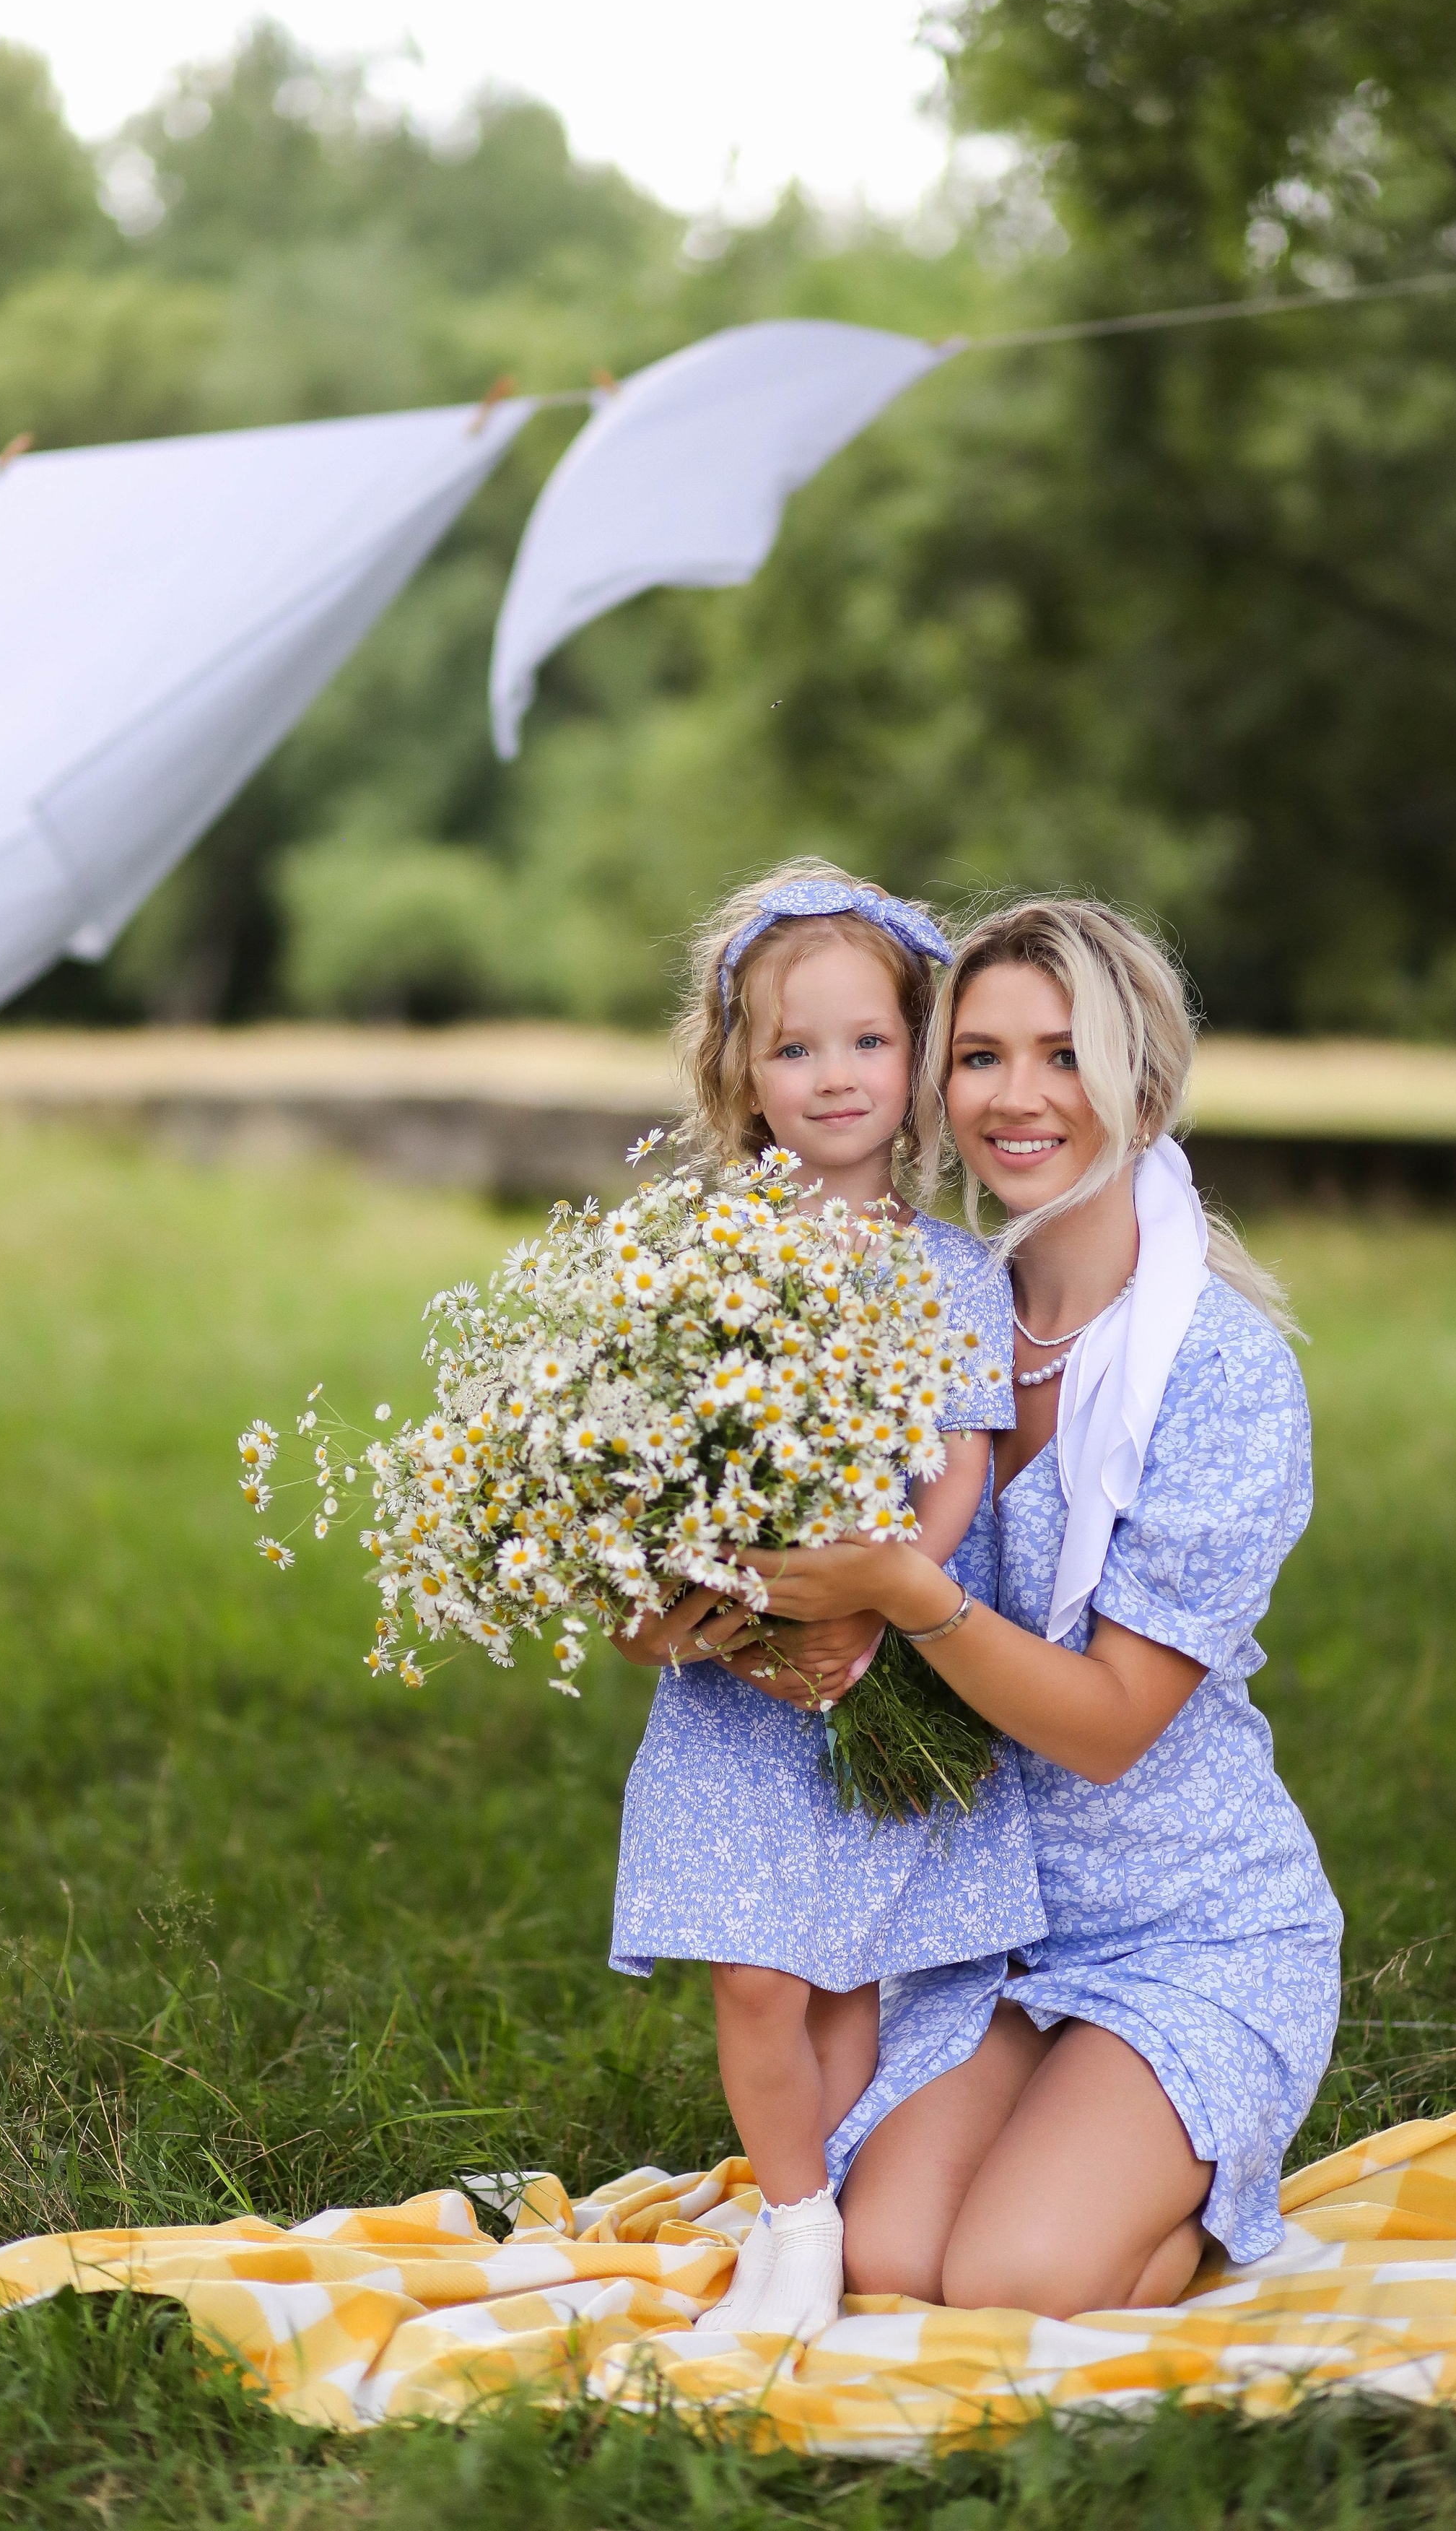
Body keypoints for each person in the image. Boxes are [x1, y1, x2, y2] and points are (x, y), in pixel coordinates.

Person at [744, 899, 1342, 2317]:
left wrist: (902, 1590)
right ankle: (1077, 2157)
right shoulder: (919, 1319)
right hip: (990, 1938)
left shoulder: (1218, 1371)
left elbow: (1111, 1728)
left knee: (1013, 2276)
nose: (1018, 1097)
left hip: (1191, 1927)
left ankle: (1177, 2208)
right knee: (891, 2262)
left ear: (1144, 1085)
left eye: (1065, 1056)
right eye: (981, 1057)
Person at [607, 862, 1045, 2340]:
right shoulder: (704, 1266)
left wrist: (881, 1596)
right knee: (755, 1975)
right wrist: (740, 1603)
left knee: (847, 1971)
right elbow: (658, 1461)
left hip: (878, 1663)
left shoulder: (954, 1272)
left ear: (916, 1064)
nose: (835, 1075)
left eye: (868, 1041)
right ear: (741, 1073)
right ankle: (793, 2216)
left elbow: (960, 1460)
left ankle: (829, 2209)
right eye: (794, 1047)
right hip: (745, 1684)